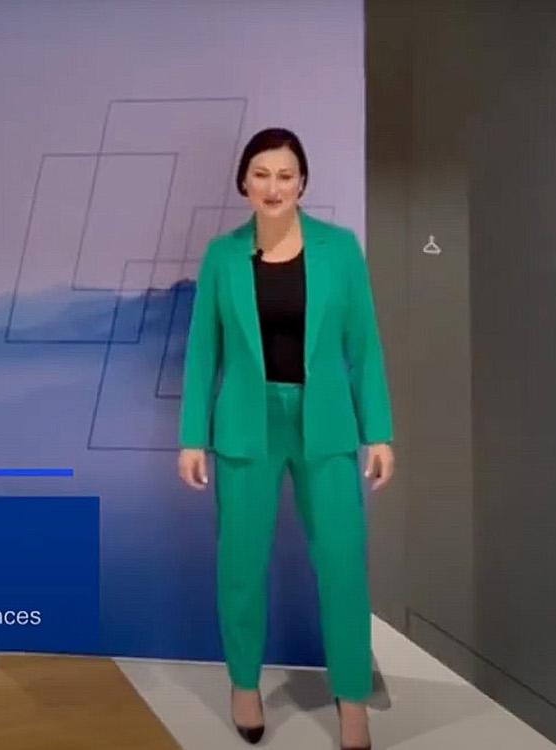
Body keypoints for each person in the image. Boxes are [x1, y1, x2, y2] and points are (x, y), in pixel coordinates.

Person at [176, 127, 394, 749]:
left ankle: (352, 698)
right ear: (244, 182)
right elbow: (203, 352)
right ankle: (244, 684)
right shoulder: (222, 256)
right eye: (262, 174)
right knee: (241, 564)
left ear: (302, 183)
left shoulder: (339, 249)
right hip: (246, 426)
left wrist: (379, 432)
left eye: (286, 175)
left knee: (343, 563)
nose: (273, 186)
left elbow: (364, 347)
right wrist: (192, 437)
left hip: (326, 424)